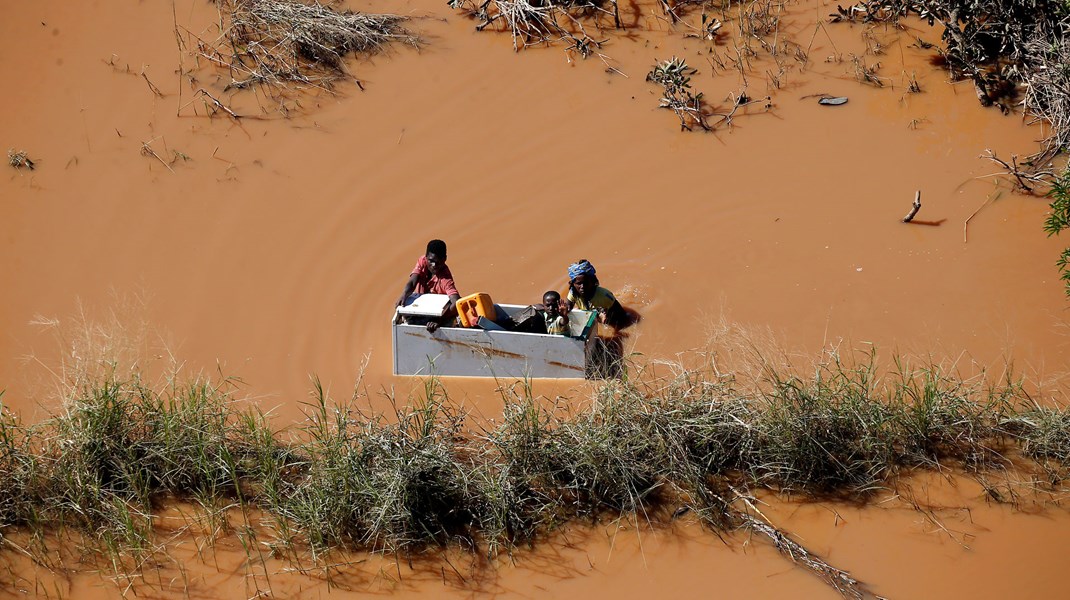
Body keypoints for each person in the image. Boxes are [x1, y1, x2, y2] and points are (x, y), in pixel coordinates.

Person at [396, 239, 461, 332]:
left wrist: (439, 320)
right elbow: (412, 282)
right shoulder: (422, 261)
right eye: (431, 261)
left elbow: (457, 302)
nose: (434, 265)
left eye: (438, 262)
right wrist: (404, 294)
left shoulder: (445, 278)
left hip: (438, 313)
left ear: (444, 259)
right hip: (420, 308)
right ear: (426, 257)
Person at [565, 259, 629, 329]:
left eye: (585, 283)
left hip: (609, 320)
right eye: (578, 283)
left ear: (592, 281)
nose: (582, 287)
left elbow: (622, 315)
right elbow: (567, 309)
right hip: (591, 314)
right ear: (573, 284)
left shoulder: (604, 296)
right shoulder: (573, 293)